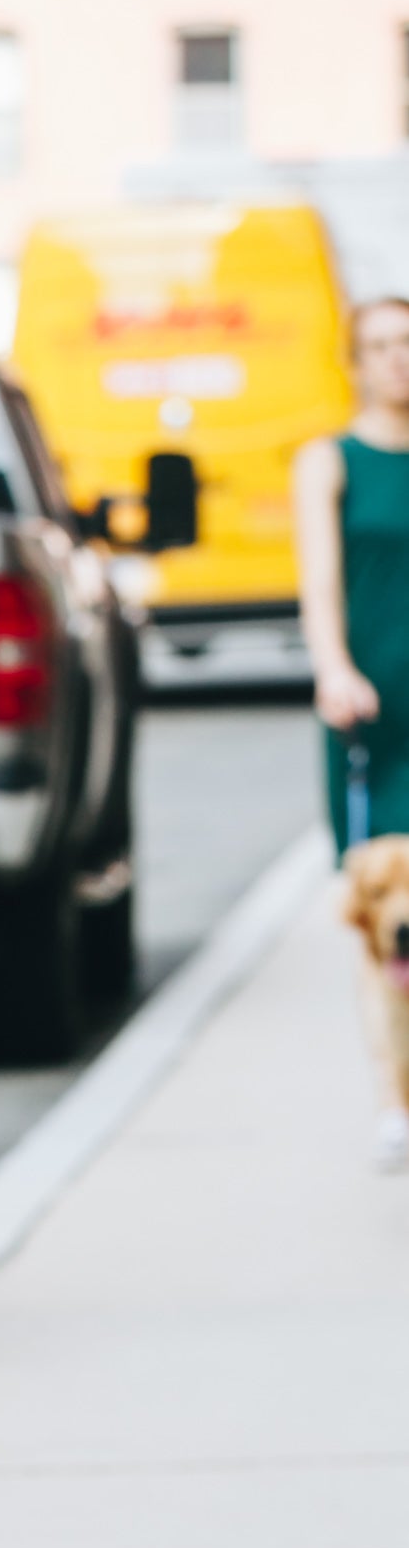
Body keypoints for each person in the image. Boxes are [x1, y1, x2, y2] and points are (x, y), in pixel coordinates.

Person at [295, 294, 409, 1165]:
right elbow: (319, 583)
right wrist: (333, 666)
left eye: (407, 344)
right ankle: (392, 1094)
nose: (396, 360)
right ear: (355, 360)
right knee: (386, 924)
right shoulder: (328, 460)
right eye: (379, 346)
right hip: (372, 716)